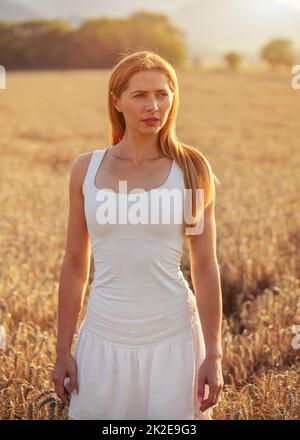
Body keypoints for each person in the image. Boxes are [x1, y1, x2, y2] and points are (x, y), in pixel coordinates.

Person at [52, 49, 224, 420]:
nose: (154, 106)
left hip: (173, 338)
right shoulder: (87, 169)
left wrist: (214, 355)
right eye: (140, 95)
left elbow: (205, 266)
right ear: (116, 101)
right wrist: (62, 349)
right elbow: (75, 263)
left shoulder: (191, 168)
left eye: (163, 94)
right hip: (102, 337)